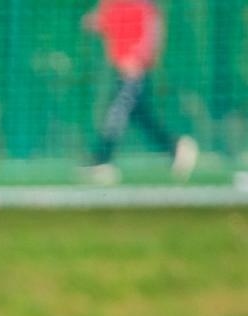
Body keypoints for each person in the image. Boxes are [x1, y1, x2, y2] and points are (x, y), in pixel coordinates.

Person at [81, 0, 197, 184]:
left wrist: (138, 57)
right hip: (121, 67)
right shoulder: (110, 3)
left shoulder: (142, 4)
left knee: (117, 112)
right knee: (143, 117)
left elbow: (151, 30)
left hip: (134, 69)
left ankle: (102, 161)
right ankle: (175, 147)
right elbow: (111, 22)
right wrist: (96, 22)